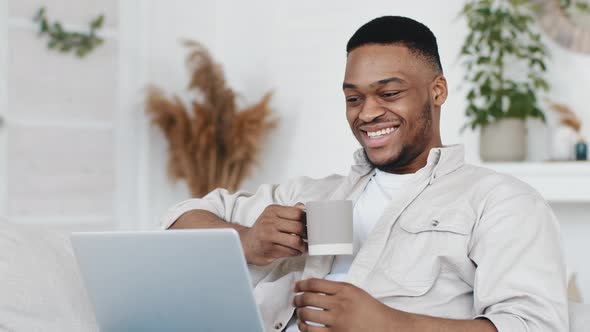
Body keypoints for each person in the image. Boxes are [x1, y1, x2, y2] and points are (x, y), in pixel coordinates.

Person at [162, 16, 568, 332]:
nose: (368, 113)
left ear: (438, 91)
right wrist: (248, 241)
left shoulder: (499, 202)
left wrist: (390, 324)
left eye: (389, 94)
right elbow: (183, 218)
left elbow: (534, 326)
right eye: (354, 98)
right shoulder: (310, 193)